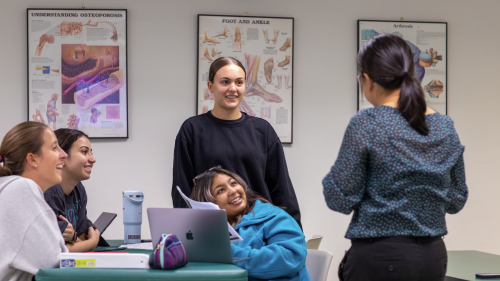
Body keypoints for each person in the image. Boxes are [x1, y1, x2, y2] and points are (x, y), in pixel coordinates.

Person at [322, 33, 468, 281]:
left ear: (367, 80)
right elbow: (456, 199)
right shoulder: (445, 126)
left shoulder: (368, 122)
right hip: (433, 258)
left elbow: (340, 198)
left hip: (380, 258)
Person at [172, 57, 302, 228]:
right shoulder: (193, 130)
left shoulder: (263, 131)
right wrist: (190, 233)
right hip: (214, 229)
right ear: (210, 86)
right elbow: (182, 193)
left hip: (261, 228)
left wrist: (295, 233)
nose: (232, 89)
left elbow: (282, 189)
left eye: (239, 82)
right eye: (225, 82)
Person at [190, 166, 310, 281]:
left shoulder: (273, 216)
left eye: (233, 183)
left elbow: (291, 258)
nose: (233, 191)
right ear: (206, 204)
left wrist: (226, 253)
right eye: (221, 190)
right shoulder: (209, 233)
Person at [0, 121, 69, 280]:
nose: (63, 154)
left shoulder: (10, 188)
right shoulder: (21, 188)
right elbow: (51, 263)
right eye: (54, 148)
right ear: (32, 159)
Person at [44, 128, 100, 252]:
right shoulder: (51, 190)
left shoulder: (79, 189)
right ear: (62, 156)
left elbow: (78, 236)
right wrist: (92, 242)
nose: (93, 159)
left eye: (91, 152)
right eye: (84, 152)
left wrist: (75, 238)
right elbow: (58, 249)